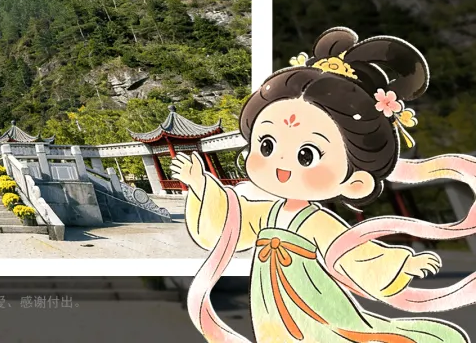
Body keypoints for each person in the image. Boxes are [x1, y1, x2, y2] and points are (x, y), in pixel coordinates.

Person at [173, 27, 476, 342]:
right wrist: (201, 186)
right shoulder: (266, 212)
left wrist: (402, 263)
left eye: (306, 155)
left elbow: (354, 253)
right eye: (266, 145)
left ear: (356, 182)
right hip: (270, 299)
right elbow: (230, 222)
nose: (281, 163)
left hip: (312, 298)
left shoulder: (315, 220)